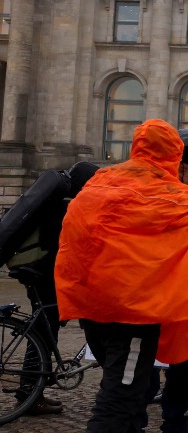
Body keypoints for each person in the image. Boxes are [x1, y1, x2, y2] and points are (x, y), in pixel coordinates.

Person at [55, 120, 188, 433]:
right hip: (132, 317)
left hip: (91, 309)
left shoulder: (100, 182)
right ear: (174, 154)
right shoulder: (166, 194)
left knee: (129, 395)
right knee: (118, 401)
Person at [2, 161, 98, 417]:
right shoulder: (64, 206)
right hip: (42, 271)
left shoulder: (53, 202)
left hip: (35, 269)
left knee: (46, 326)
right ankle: (30, 391)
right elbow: (63, 246)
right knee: (46, 331)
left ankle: (33, 389)